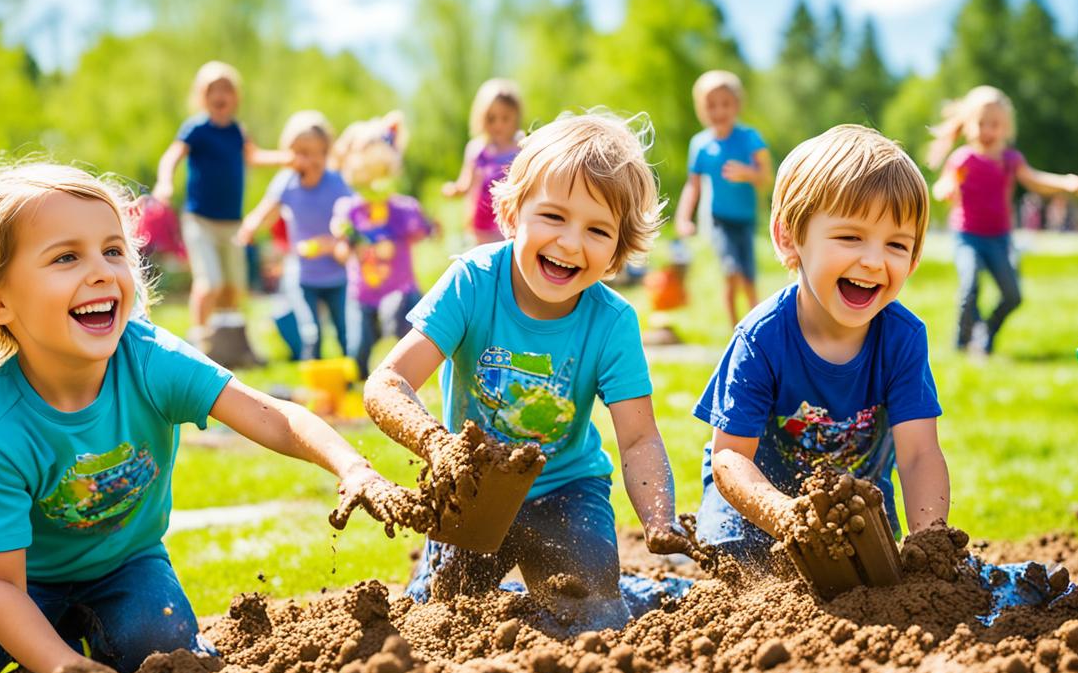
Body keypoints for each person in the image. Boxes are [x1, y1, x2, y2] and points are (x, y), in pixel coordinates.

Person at [0, 162, 398, 673]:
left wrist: (352, 466)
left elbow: (273, 415)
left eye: (113, 251)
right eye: (67, 256)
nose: (101, 272)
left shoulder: (152, 362)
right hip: (20, 581)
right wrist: (63, 668)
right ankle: (61, 640)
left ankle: (93, 630)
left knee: (162, 639)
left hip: (126, 565)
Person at [355, 113, 692, 631]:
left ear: (618, 252)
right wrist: (436, 445)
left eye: (597, 229)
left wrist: (658, 520)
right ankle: (454, 581)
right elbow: (386, 384)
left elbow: (639, 437)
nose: (570, 244)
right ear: (513, 214)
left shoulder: (613, 321)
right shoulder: (472, 282)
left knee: (593, 613)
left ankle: (635, 592)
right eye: (553, 217)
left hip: (568, 490)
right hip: (477, 490)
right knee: (440, 617)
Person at [693, 124, 950, 569]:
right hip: (756, 509)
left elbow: (919, 453)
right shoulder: (762, 338)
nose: (872, 261)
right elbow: (730, 457)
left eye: (896, 244)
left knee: (877, 579)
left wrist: (930, 545)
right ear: (789, 237)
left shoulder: (902, 338)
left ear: (914, 258)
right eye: (850, 237)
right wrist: (786, 516)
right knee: (745, 574)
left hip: (856, 512)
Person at [928, 86, 1078, 353]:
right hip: (968, 236)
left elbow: (1035, 180)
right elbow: (944, 184)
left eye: (994, 124)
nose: (987, 130)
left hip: (999, 238)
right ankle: (962, 344)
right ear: (969, 125)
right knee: (969, 289)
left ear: (1006, 127)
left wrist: (1069, 183)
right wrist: (945, 190)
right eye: (981, 123)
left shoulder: (1010, 160)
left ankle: (986, 332)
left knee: (1013, 296)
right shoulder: (963, 159)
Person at [152, 61, 289, 364]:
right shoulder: (197, 128)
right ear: (202, 96)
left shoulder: (237, 131)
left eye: (226, 88)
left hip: (232, 222)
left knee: (233, 287)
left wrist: (291, 158)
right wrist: (164, 182)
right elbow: (172, 155)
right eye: (213, 88)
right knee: (209, 282)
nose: (220, 94)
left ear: (235, 96)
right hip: (200, 219)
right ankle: (197, 342)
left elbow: (255, 157)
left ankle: (229, 345)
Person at [236, 110, 353, 359]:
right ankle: (315, 383)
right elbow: (266, 209)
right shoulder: (286, 182)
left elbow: (355, 219)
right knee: (311, 332)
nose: (307, 161)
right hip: (302, 274)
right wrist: (250, 226)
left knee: (345, 332)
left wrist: (336, 243)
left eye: (315, 155)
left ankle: (351, 382)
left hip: (336, 274)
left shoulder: (337, 183)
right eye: (300, 153)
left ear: (326, 153)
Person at [328, 112, 432, 381]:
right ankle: (362, 387)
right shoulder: (349, 210)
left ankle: (407, 381)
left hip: (400, 291)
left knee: (408, 337)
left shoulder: (402, 208)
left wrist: (417, 225)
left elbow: (421, 232)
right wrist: (352, 248)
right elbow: (340, 251)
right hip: (362, 294)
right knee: (358, 349)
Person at [673, 70, 773, 324]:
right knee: (731, 271)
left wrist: (748, 174)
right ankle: (735, 330)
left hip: (745, 218)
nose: (719, 111)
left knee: (748, 277)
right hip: (720, 219)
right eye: (711, 105)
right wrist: (683, 217)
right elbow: (692, 185)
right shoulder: (700, 145)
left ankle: (757, 326)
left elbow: (767, 177)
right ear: (701, 109)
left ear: (737, 105)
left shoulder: (750, 138)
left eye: (725, 104)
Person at [442, 79, 525, 247]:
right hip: (481, 224)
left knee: (509, 264)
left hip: (513, 222)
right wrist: (454, 190)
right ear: (481, 118)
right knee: (486, 265)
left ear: (515, 117)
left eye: (505, 118)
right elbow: (466, 184)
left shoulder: (521, 147)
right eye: (491, 118)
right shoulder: (477, 149)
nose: (498, 125)